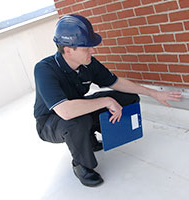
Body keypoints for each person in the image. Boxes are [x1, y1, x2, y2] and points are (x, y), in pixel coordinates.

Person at [33, 14, 181, 187]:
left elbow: (116, 82)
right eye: (86, 48)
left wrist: (154, 93)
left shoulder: (88, 64)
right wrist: (106, 102)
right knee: (75, 121)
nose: (93, 51)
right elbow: (65, 111)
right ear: (68, 50)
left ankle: (90, 138)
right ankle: (82, 165)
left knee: (128, 98)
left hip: (78, 111)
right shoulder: (44, 69)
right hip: (51, 122)